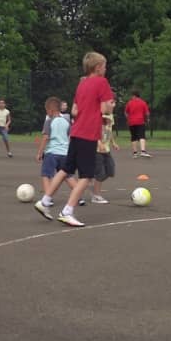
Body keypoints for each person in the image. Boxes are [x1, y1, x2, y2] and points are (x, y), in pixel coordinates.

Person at [34, 52, 116, 227]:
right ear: (98, 67)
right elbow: (105, 108)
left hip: (76, 131)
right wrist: (109, 105)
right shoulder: (102, 82)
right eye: (105, 65)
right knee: (86, 175)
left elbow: (74, 112)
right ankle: (67, 211)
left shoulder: (82, 84)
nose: (106, 68)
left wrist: (93, 111)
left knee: (65, 169)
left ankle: (45, 201)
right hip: (88, 134)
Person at [36, 97, 84, 205]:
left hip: (51, 153)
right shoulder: (66, 121)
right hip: (65, 153)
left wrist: (40, 153)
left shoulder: (49, 121)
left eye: (46, 110)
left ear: (51, 110)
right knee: (68, 176)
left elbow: (45, 138)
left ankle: (48, 198)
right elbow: (70, 137)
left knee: (46, 175)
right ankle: (79, 197)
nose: (46, 113)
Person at [91, 112, 119, 203]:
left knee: (111, 170)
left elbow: (109, 131)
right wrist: (99, 143)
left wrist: (113, 143)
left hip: (106, 150)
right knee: (100, 173)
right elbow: (93, 133)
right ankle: (96, 196)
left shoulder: (110, 116)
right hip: (97, 151)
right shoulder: (98, 118)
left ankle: (94, 183)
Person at [125, 90, 151, 158]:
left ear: (134, 96)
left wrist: (128, 118)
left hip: (131, 122)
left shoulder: (129, 103)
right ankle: (143, 151)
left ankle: (135, 153)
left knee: (133, 137)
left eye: (132, 96)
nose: (131, 97)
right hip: (140, 121)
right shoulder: (143, 102)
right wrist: (147, 119)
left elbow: (126, 112)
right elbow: (147, 113)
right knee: (142, 136)